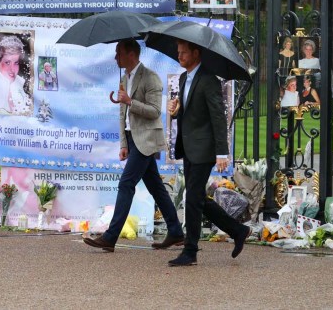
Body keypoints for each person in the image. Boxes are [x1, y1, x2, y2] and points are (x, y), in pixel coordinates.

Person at [83, 39, 184, 253]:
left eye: (118, 53)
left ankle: (110, 237)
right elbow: (123, 114)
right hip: (132, 139)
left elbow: (156, 111)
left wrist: (130, 101)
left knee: (126, 184)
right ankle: (175, 231)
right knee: (156, 187)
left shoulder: (151, 78)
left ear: (131, 54)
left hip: (146, 140)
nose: (115, 57)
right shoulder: (124, 79)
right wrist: (123, 143)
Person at [162, 40, 251, 267]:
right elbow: (190, 111)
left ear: (196, 53)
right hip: (188, 147)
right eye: (178, 52)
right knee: (198, 198)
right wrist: (176, 109)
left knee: (192, 198)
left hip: (204, 149)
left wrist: (222, 152)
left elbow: (218, 118)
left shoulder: (209, 80)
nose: (179, 56)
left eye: (183, 53)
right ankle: (238, 230)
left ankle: (190, 251)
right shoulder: (183, 78)